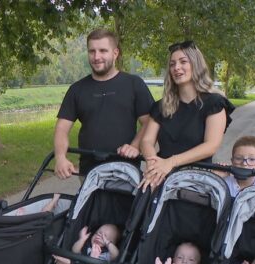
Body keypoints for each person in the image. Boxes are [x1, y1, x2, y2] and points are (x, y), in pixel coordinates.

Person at [54, 29, 154, 178]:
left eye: (103, 51)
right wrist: (60, 158)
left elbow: (149, 123)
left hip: (126, 170)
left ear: (115, 53)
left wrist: (134, 145)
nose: (96, 57)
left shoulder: (134, 84)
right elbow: (61, 128)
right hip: (88, 172)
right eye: (92, 51)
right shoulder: (77, 89)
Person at [140, 40, 234, 191]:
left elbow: (211, 146)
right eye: (172, 64)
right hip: (161, 177)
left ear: (196, 65)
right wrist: (153, 164)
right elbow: (146, 141)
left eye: (183, 62)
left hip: (196, 183)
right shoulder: (161, 106)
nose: (176, 68)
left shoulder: (214, 103)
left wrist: (171, 162)